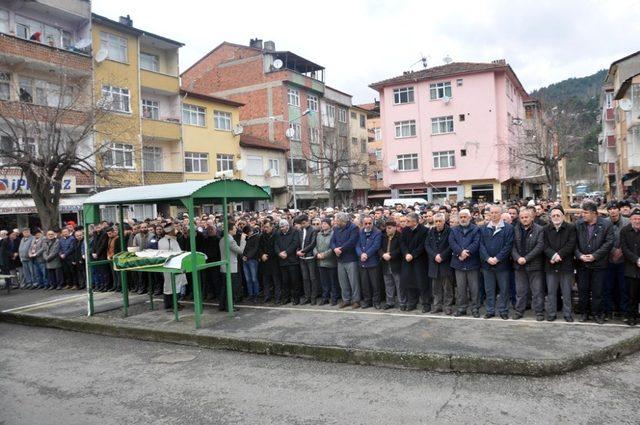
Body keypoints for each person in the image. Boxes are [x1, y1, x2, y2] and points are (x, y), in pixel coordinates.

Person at [574, 201, 614, 324]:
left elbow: (609, 243)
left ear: (594, 213)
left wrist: (595, 256)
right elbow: (573, 243)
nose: (582, 215)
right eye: (582, 212)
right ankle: (584, 313)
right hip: (582, 264)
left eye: (585, 213)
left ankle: (598, 314)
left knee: (598, 291)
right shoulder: (578, 224)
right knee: (583, 290)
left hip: (599, 264)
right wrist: (580, 255)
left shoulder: (606, 224)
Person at [479, 205, 514, 320]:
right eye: (491, 213)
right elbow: (481, 245)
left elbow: (508, 246)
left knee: (504, 289)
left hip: (502, 265)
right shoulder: (483, 228)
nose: (493, 215)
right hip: (487, 265)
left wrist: (497, 258)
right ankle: (490, 310)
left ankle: (503, 310)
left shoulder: (508, 228)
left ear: (501, 214)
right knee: (489, 290)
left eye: (496, 213)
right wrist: (488, 258)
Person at [543, 205, 577, 322]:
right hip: (550, 265)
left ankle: (567, 314)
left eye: (558, 215)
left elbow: (571, 244)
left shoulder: (571, 228)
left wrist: (559, 255)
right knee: (551, 292)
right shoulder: (545, 229)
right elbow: (544, 245)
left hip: (566, 265)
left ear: (563, 216)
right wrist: (552, 255)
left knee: (566, 291)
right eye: (553, 215)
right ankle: (551, 313)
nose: (556, 217)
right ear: (550, 217)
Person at [511, 206, 545, 320]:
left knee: (537, 291)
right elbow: (512, 246)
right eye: (522, 217)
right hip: (519, 265)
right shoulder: (515, 229)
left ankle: (539, 312)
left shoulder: (539, 229)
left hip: (535, 265)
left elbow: (540, 246)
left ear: (532, 218)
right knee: (520, 291)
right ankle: (519, 311)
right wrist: (517, 258)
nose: (524, 219)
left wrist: (526, 258)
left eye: (526, 217)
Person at [449, 209, 481, 317]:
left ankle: (475, 308)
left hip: (472, 262)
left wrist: (466, 253)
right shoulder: (454, 230)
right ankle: (462, 308)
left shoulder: (476, 229)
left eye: (465, 217)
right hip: (459, 263)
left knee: (474, 288)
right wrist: (460, 253)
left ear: (469, 217)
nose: (463, 219)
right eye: (461, 217)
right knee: (461, 288)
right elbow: (452, 243)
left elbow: (476, 243)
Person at [400, 212, 430, 312]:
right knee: (409, 282)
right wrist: (406, 254)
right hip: (407, 260)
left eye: (408, 221)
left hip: (419, 260)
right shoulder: (405, 230)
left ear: (414, 221)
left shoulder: (424, 230)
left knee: (422, 283)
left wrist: (413, 255)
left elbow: (423, 245)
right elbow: (402, 243)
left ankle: (426, 304)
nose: (406, 223)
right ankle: (412, 303)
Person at [425, 213, 454, 315]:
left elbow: (451, 245)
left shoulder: (450, 231)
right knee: (435, 288)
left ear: (444, 221)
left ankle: (447, 306)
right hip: (434, 263)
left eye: (440, 221)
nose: (438, 223)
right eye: (436, 221)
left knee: (447, 288)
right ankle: (437, 306)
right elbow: (427, 245)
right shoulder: (431, 231)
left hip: (445, 263)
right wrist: (434, 256)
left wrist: (442, 256)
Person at [331, 213, 361, 309]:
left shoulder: (353, 228)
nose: (335, 222)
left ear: (342, 220)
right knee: (343, 281)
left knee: (354, 281)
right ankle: (346, 300)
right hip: (340, 259)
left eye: (337, 220)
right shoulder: (336, 228)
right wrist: (335, 249)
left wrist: (341, 249)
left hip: (351, 258)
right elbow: (332, 241)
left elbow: (352, 241)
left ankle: (356, 300)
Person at [605, 201, 629, 319]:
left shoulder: (627, 222)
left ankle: (624, 311)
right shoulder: (604, 222)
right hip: (608, 259)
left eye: (615, 208)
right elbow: (603, 240)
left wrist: (621, 251)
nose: (613, 211)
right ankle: (609, 311)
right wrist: (613, 250)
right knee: (608, 287)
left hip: (624, 260)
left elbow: (630, 240)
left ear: (619, 210)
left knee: (623, 287)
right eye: (610, 209)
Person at [159, 223, 187, 311]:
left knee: (167, 285)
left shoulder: (160, 241)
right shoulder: (173, 241)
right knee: (176, 285)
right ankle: (175, 304)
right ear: (171, 231)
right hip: (174, 266)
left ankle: (168, 304)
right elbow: (177, 253)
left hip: (165, 266)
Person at [219, 222, 246, 312]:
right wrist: (243, 240)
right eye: (234, 228)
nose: (236, 229)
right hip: (231, 268)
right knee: (232, 288)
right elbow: (240, 250)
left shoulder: (222, 239)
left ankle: (222, 305)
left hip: (223, 267)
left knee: (224, 287)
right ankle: (229, 306)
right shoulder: (230, 240)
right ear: (230, 230)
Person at [356, 216, 382, 309]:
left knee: (375, 284)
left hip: (373, 261)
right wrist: (361, 254)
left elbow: (376, 246)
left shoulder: (377, 232)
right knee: (365, 283)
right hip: (362, 261)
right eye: (365, 223)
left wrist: (366, 254)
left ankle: (376, 302)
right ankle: (367, 301)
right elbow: (357, 245)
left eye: (369, 223)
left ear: (372, 222)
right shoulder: (360, 232)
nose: (367, 225)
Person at [620, 208, 640, 326]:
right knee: (631, 294)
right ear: (630, 220)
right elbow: (624, 248)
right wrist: (636, 259)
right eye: (635, 219)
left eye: (639, 219)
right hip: (631, 267)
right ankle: (631, 316)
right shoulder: (625, 231)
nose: (637, 221)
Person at [274, 219, 301, 305]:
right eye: (280, 227)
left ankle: (296, 298)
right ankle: (286, 298)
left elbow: (295, 243)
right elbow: (276, 244)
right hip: (282, 261)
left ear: (287, 226)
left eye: (283, 227)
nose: (281, 229)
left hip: (292, 261)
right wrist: (279, 253)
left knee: (294, 281)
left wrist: (286, 253)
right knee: (285, 281)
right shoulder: (278, 233)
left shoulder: (294, 231)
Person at [314, 219, 339, 305]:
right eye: (322, 224)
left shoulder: (333, 234)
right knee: (324, 282)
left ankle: (334, 298)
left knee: (333, 281)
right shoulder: (318, 234)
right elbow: (315, 246)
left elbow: (333, 247)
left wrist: (324, 255)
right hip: (320, 262)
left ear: (329, 225)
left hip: (330, 262)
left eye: (325, 223)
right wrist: (316, 254)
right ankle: (325, 298)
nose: (323, 225)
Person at [379, 220, 404, 310]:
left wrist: (391, 255)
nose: (387, 230)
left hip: (396, 263)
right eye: (386, 228)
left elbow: (401, 249)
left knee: (399, 284)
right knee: (388, 284)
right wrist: (382, 254)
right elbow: (379, 248)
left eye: (389, 228)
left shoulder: (399, 236)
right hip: (385, 263)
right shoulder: (383, 236)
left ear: (395, 228)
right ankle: (390, 302)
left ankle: (402, 302)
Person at [297, 214, 320, 304]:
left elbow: (313, 243)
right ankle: (307, 297)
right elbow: (299, 242)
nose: (302, 225)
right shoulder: (300, 231)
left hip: (310, 257)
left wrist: (303, 251)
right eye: (301, 224)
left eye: (303, 223)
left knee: (313, 278)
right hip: (302, 258)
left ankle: (313, 297)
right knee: (305, 278)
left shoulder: (313, 230)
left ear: (307, 221)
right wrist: (298, 250)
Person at [258, 220, 281, 304]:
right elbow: (259, 247)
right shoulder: (262, 236)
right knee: (266, 280)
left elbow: (277, 247)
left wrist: (267, 255)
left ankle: (277, 297)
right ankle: (267, 296)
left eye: (267, 227)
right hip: (265, 262)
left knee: (276, 281)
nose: (265, 229)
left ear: (272, 227)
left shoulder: (276, 235)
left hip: (274, 261)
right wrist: (262, 255)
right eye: (264, 227)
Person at [242, 224, 261, 303]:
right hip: (245, 260)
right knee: (248, 279)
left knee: (253, 278)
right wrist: (243, 256)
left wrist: (247, 256)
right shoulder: (246, 238)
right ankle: (251, 295)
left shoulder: (256, 237)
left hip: (252, 260)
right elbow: (242, 247)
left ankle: (256, 295)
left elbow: (255, 249)